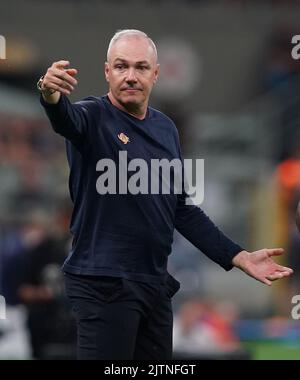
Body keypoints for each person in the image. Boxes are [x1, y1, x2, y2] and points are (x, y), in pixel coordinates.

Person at [38, 29, 293, 360]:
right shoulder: (92, 116)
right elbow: (64, 119)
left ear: (155, 74)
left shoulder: (165, 129)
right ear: (106, 72)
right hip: (103, 283)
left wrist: (238, 256)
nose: (131, 76)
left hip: (153, 285)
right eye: (121, 66)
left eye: (141, 67)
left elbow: (180, 208)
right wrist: (49, 94)